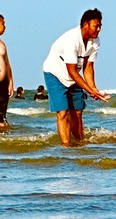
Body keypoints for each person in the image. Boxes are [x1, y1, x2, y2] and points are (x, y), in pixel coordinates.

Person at [42, 9, 111, 145]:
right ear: (85, 25)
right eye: (95, 26)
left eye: (100, 26)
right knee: (62, 112)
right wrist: (89, 91)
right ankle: (66, 146)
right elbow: (72, 72)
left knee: (77, 112)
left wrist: (93, 88)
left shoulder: (95, 41)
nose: (98, 29)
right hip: (55, 73)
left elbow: (88, 67)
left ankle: (79, 143)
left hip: (74, 77)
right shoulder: (72, 39)